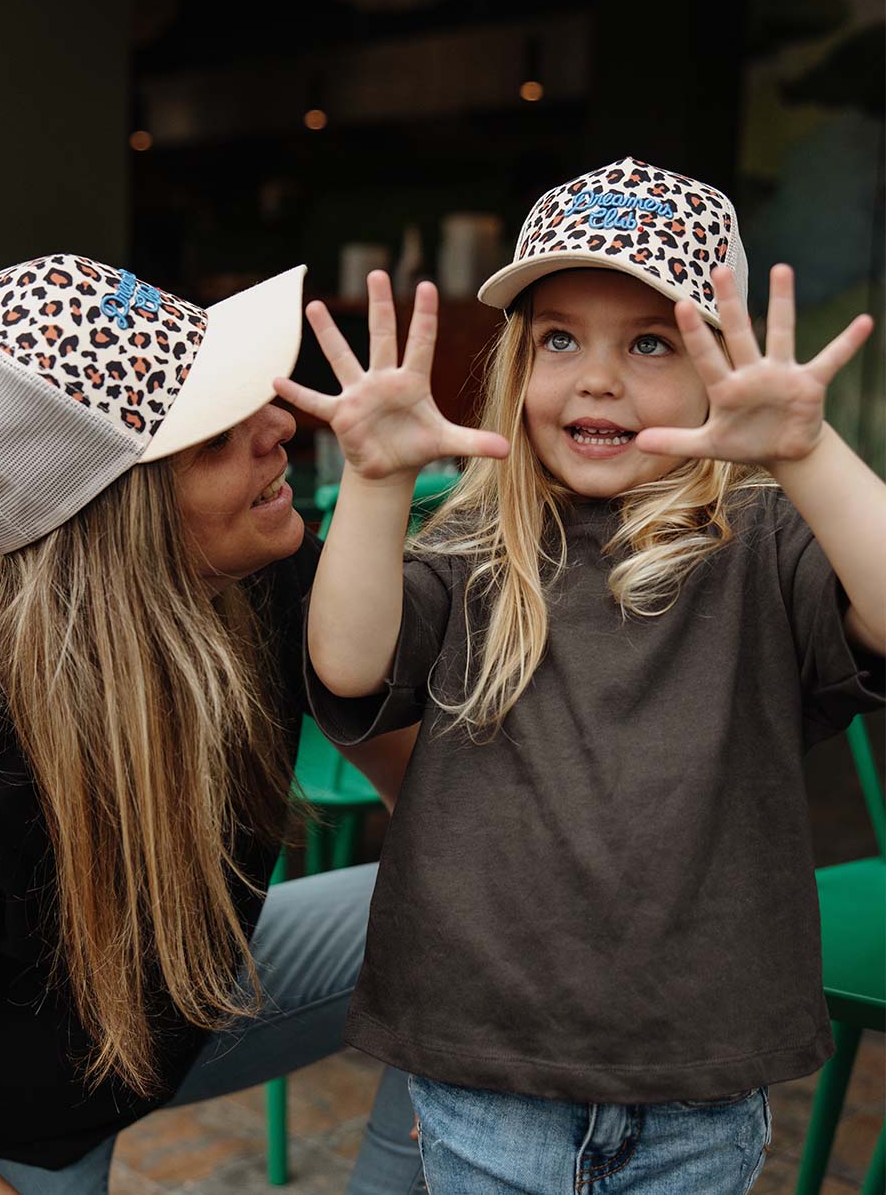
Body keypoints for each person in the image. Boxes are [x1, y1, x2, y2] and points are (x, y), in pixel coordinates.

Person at [274, 156, 886, 1193]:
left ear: (716, 370)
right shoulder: (475, 548)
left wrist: (808, 449)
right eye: (559, 338)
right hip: (483, 1071)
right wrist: (377, 484)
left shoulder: (762, 545)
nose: (596, 376)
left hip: (696, 1083)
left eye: (649, 341)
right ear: (518, 368)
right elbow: (346, 661)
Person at [0, 254, 424, 1194]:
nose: (282, 422)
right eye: (215, 436)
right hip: (1, 1130)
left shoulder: (265, 576)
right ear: (121, 517)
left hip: (180, 1004)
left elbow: (436, 803)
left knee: (471, 917)